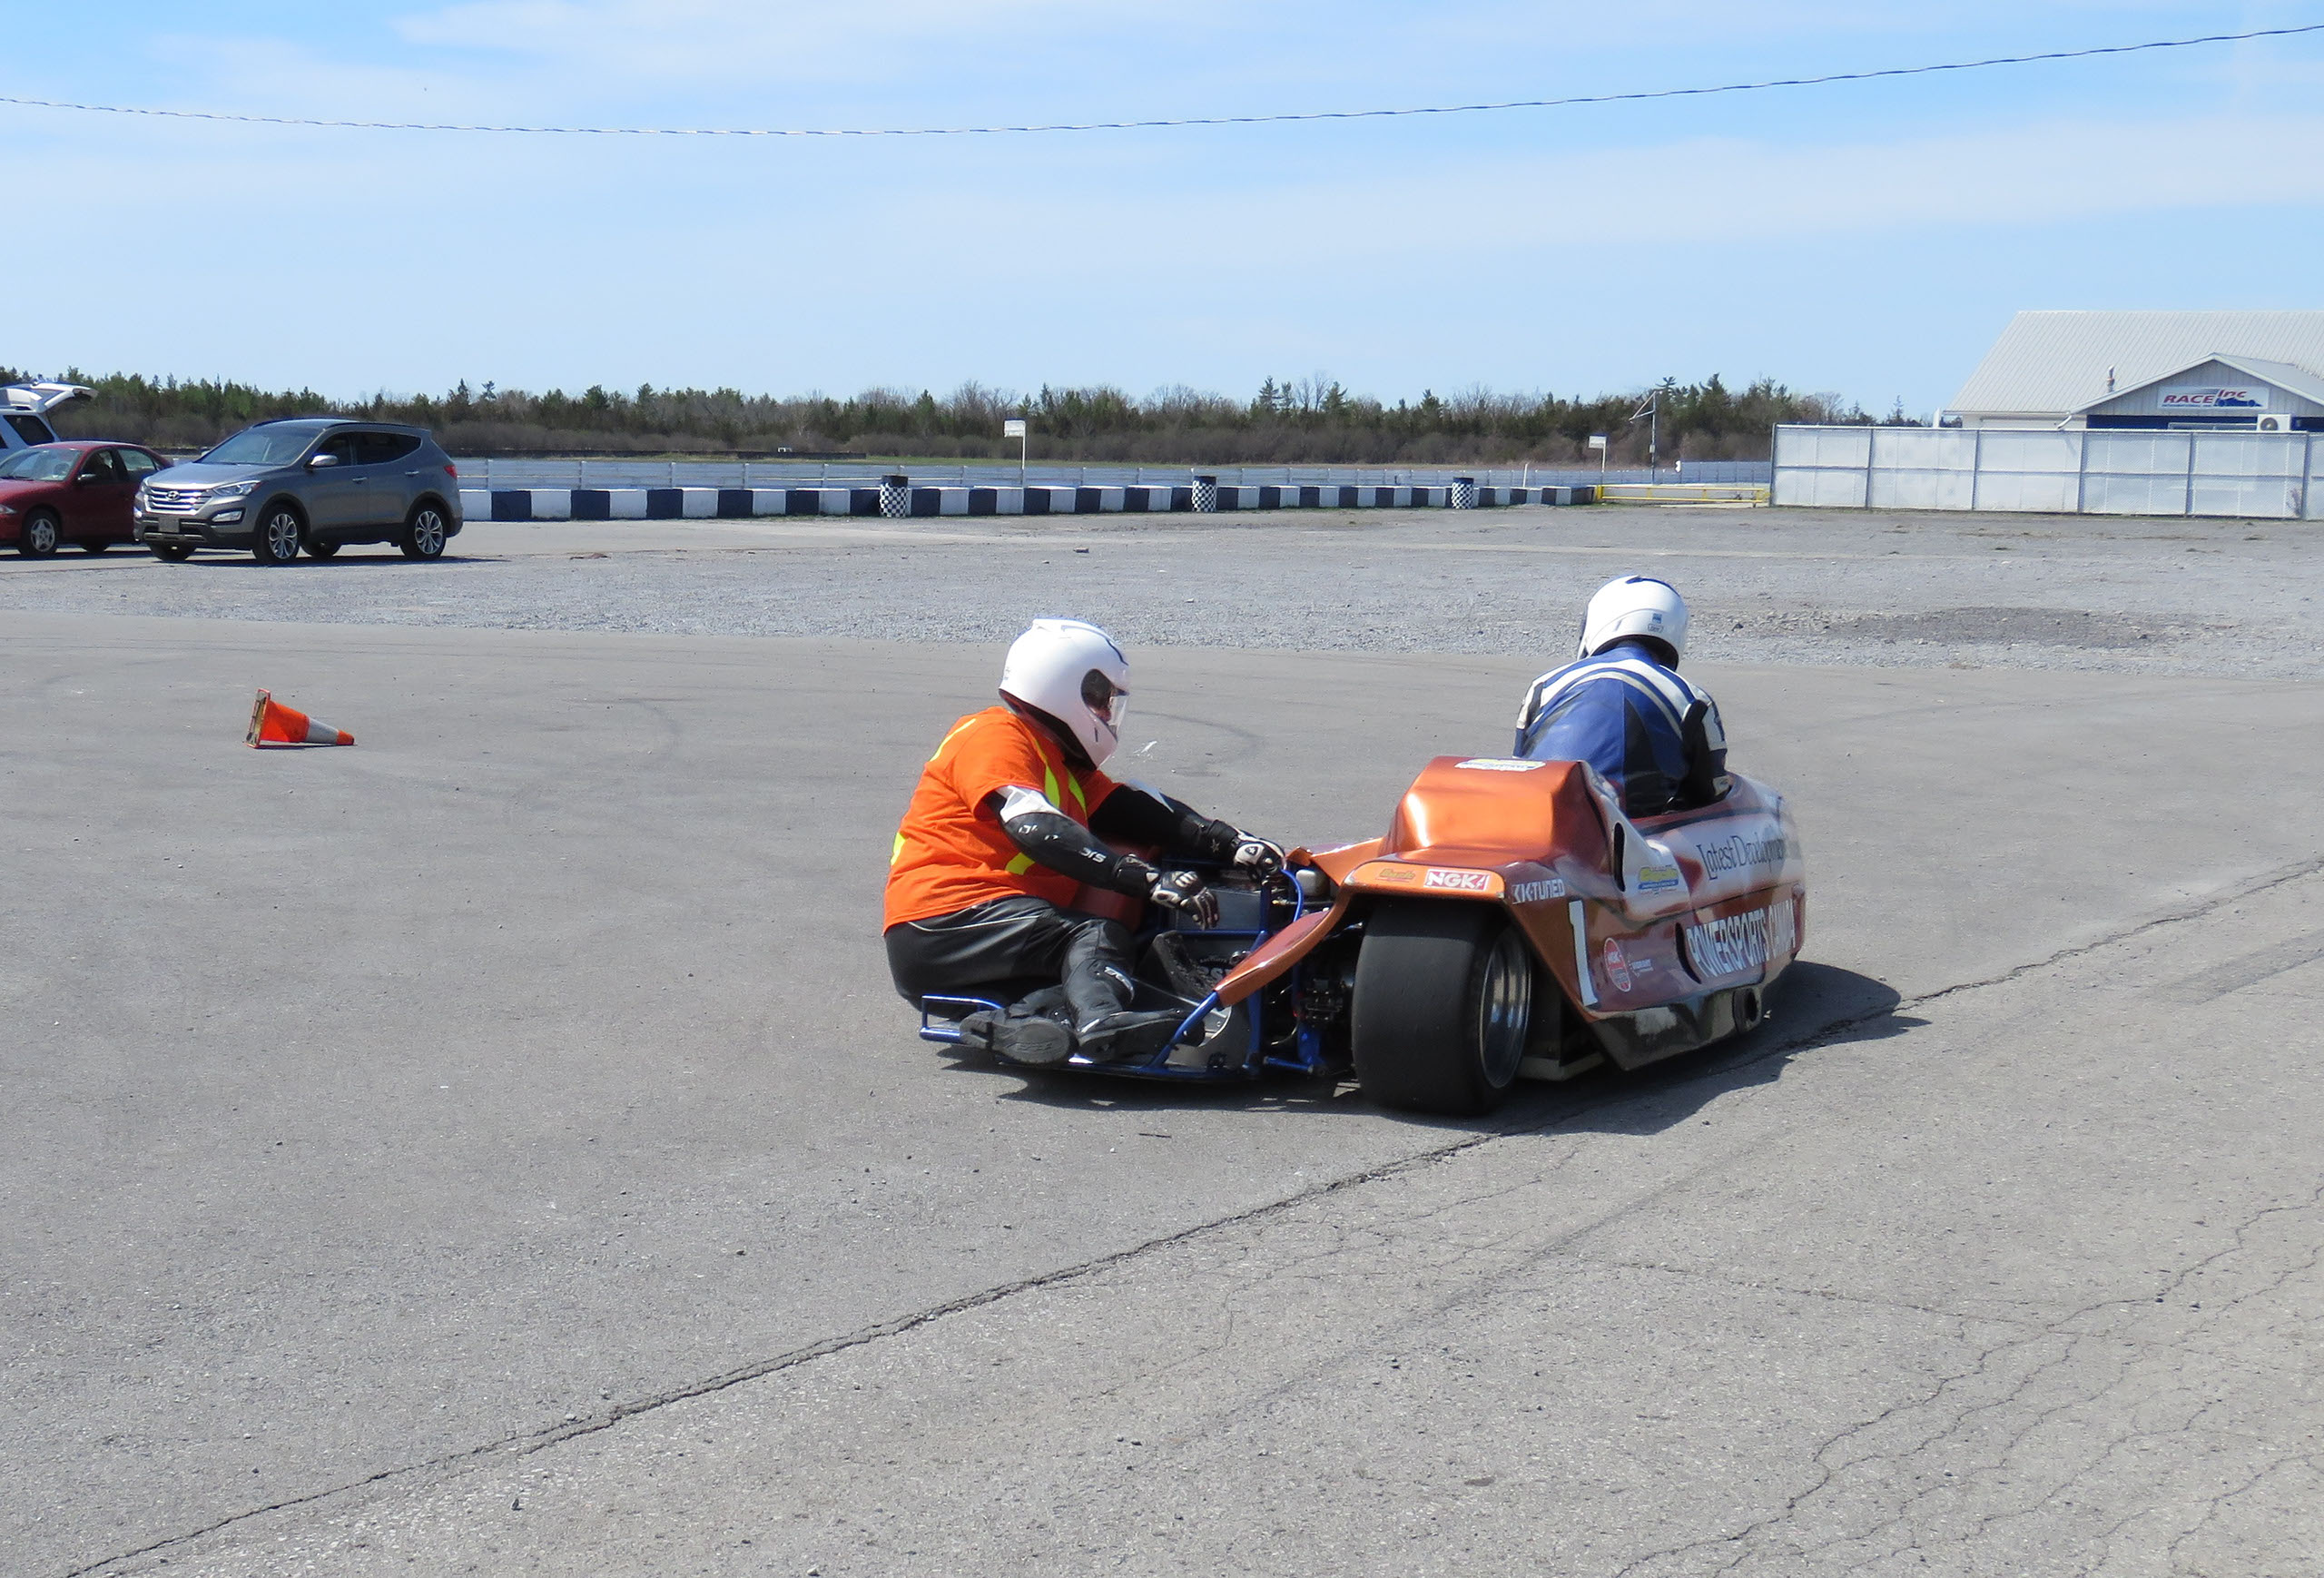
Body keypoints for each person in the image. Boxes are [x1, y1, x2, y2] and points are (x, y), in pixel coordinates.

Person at [884, 618, 1286, 1066]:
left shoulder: (1060, 765)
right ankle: (1102, 1023)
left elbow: (1134, 809)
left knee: (1091, 978)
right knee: (1094, 935)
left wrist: (1228, 842)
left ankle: (1009, 1026)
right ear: (1060, 684)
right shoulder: (993, 734)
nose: (1105, 711)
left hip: (972, 935)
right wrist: (1143, 878)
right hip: (948, 917)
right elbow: (1034, 826)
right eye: (1099, 696)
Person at [1512, 576, 1728, 816]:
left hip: (1537, 820)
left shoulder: (1544, 686)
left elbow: (1520, 767)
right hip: (1634, 833)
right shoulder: (1691, 699)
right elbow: (1712, 795)